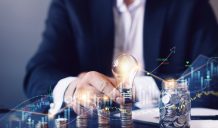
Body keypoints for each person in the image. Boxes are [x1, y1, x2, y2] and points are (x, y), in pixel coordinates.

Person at [24, 0, 218, 116]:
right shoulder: (72, 3)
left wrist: (134, 89)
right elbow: (39, 71)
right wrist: (74, 89)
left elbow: (213, 73)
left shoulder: (190, 4)